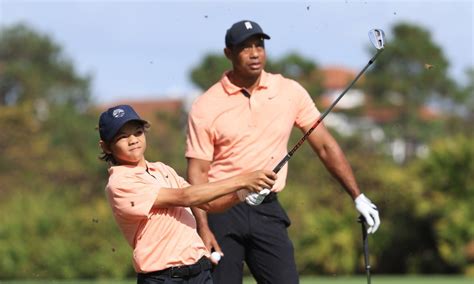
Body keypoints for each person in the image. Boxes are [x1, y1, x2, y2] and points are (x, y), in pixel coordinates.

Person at [185, 20, 381, 284]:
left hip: (267, 210)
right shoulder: (206, 105)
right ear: (228, 54)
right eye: (245, 47)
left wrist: (356, 195)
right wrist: (203, 225)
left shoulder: (289, 91)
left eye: (259, 45)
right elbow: (197, 172)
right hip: (222, 212)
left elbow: (324, 145)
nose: (255, 53)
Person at [98, 104, 277, 284]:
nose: (133, 140)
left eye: (137, 132)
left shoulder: (162, 169)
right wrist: (243, 180)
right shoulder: (120, 183)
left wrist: (242, 193)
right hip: (162, 278)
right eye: (122, 136)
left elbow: (207, 204)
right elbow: (186, 197)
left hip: (199, 272)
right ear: (105, 147)